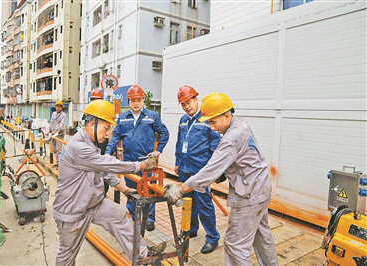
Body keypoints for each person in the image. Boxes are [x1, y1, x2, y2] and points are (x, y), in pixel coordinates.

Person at [165, 92, 279, 266]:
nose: (211, 127)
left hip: (249, 195)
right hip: (261, 189)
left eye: (213, 121)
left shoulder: (230, 139)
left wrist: (181, 189)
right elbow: (240, 158)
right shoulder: (241, 124)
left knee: (235, 244)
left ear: (227, 115)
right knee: (262, 237)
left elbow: (211, 170)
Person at [53, 100, 166, 266]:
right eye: (106, 128)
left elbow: (103, 171)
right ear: (92, 124)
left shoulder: (91, 144)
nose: (108, 134)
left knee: (119, 215)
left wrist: (125, 189)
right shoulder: (79, 147)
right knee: (67, 256)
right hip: (72, 211)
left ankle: (142, 255)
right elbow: (109, 164)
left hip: (93, 205)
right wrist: (141, 165)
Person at [105, 85, 169, 232]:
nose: (136, 103)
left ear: (143, 100)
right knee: (131, 191)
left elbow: (164, 133)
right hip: (130, 163)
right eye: (133, 100)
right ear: (129, 100)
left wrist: (158, 151)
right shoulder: (123, 118)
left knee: (150, 191)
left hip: (148, 163)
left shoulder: (152, 116)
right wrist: (108, 152)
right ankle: (133, 217)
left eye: (139, 100)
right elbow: (115, 137)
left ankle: (149, 219)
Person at [174, 85, 221, 254]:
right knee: (188, 202)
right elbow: (179, 142)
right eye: (183, 104)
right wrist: (178, 161)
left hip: (201, 170)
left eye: (189, 102)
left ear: (196, 99)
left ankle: (212, 237)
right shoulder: (183, 120)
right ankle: (191, 229)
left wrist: (212, 169)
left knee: (204, 204)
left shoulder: (208, 119)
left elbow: (215, 146)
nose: (187, 106)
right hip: (185, 169)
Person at [49, 100, 67, 166]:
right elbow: (51, 123)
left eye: (60, 107)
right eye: (57, 107)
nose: (58, 108)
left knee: (58, 149)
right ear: (55, 107)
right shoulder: (53, 114)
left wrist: (57, 132)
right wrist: (50, 131)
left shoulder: (63, 115)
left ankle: (60, 164)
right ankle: (57, 162)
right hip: (53, 134)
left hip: (59, 134)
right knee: (54, 149)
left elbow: (62, 125)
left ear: (62, 108)